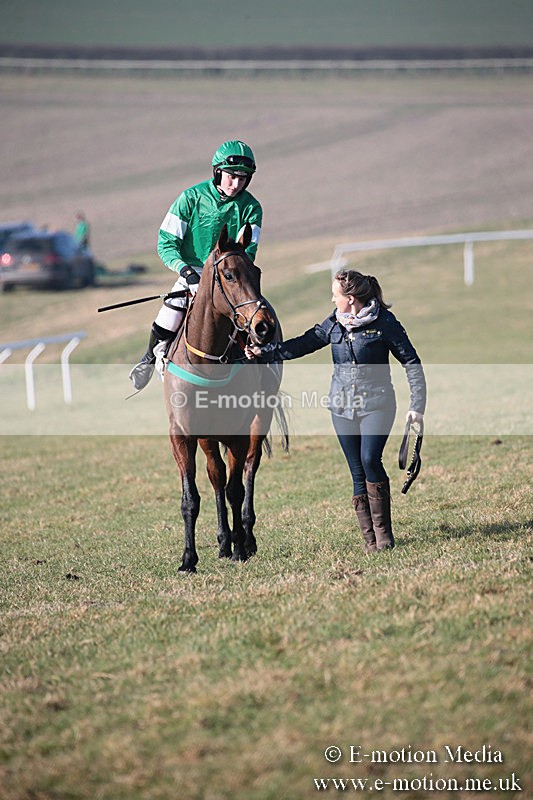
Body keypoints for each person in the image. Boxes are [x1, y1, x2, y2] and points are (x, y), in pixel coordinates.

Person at [245, 270, 426, 553]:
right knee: (356, 472)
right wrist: (265, 352)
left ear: (350, 299)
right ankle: (370, 541)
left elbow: (411, 362)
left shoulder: (384, 323)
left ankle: (384, 535)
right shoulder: (334, 323)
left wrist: (417, 407)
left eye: (336, 295)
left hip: (377, 405)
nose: (332, 299)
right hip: (341, 407)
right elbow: (303, 344)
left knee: (370, 459)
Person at [129, 140, 262, 391]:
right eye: (231, 177)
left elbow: (249, 251)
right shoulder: (190, 198)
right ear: (217, 172)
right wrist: (187, 273)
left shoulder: (252, 207)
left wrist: (227, 277)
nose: (236, 184)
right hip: (193, 273)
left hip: (231, 275)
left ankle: (263, 368)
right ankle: (148, 360)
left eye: (243, 179)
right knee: (169, 313)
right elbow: (166, 244)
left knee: (255, 316)